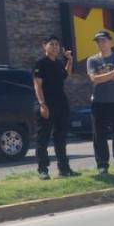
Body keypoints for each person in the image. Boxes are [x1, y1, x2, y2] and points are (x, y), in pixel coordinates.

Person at [86, 30, 114, 175]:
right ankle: (102, 165)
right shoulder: (92, 60)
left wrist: (104, 77)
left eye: (104, 40)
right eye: (98, 41)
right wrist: (113, 73)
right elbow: (94, 79)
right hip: (99, 102)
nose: (101, 43)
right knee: (99, 135)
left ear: (110, 42)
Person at [32, 36, 77, 180]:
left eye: (57, 44)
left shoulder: (58, 63)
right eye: (51, 44)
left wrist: (69, 60)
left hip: (61, 104)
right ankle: (43, 169)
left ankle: (64, 169)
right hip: (46, 104)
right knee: (43, 139)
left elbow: (66, 75)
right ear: (44, 46)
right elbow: (37, 85)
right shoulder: (40, 63)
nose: (55, 47)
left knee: (61, 137)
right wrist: (42, 104)